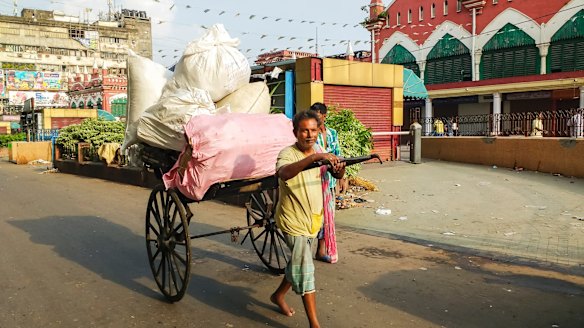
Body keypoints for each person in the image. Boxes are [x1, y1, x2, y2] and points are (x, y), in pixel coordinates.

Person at [271, 110, 345, 328]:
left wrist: (338, 171)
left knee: (298, 262)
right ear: (296, 132)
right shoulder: (288, 153)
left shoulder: (321, 151)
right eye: (304, 130)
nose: (309, 135)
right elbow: (283, 173)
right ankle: (315, 324)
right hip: (293, 221)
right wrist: (314, 157)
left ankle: (277, 295)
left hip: (313, 219)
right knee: (305, 268)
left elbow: (335, 175)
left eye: (313, 130)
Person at [309, 102, 341, 264]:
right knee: (314, 216)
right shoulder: (310, 135)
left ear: (324, 116)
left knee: (328, 218)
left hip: (329, 181)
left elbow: (338, 155)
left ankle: (321, 251)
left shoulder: (332, 134)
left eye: (317, 115)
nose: (314, 118)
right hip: (313, 181)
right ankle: (305, 250)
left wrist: (342, 178)